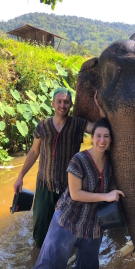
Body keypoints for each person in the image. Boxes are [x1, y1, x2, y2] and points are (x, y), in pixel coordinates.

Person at [28, 117, 125, 269]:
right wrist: (107, 196)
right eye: (98, 136)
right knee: (47, 268)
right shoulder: (78, 160)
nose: (101, 141)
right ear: (92, 137)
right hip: (67, 222)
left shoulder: (111, 162)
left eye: (106, 137)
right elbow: (75, 194)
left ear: (111, 140)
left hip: (92, 227)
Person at [13, 87, 94, 247]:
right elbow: (34, 152)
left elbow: (100, 130)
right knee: (40, 233)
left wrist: (98, 104)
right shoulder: (43, 126)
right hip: (45, 186)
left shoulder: (78, 124)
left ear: (70, 105)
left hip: (69, 188)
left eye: (66, 102)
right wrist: (20, 176)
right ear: (53, 103)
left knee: (67, 233)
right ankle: (39, 263)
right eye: (59, 101)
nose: (62, 105)